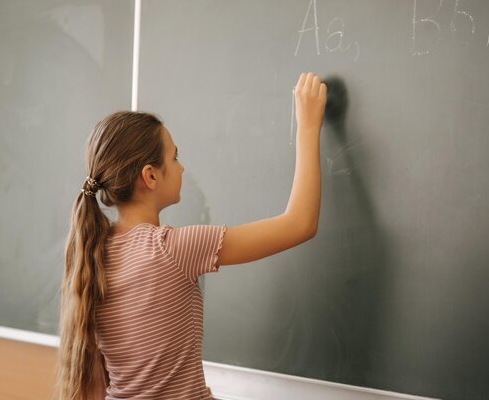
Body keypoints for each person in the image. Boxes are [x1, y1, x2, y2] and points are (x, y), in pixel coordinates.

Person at [57, 72, 327, 400]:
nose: (182, 167)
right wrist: (308, 126)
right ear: (151, 175)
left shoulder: (94, 254)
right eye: (174, 157)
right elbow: (300, 224)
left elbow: (100, 386)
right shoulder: (172, 248)